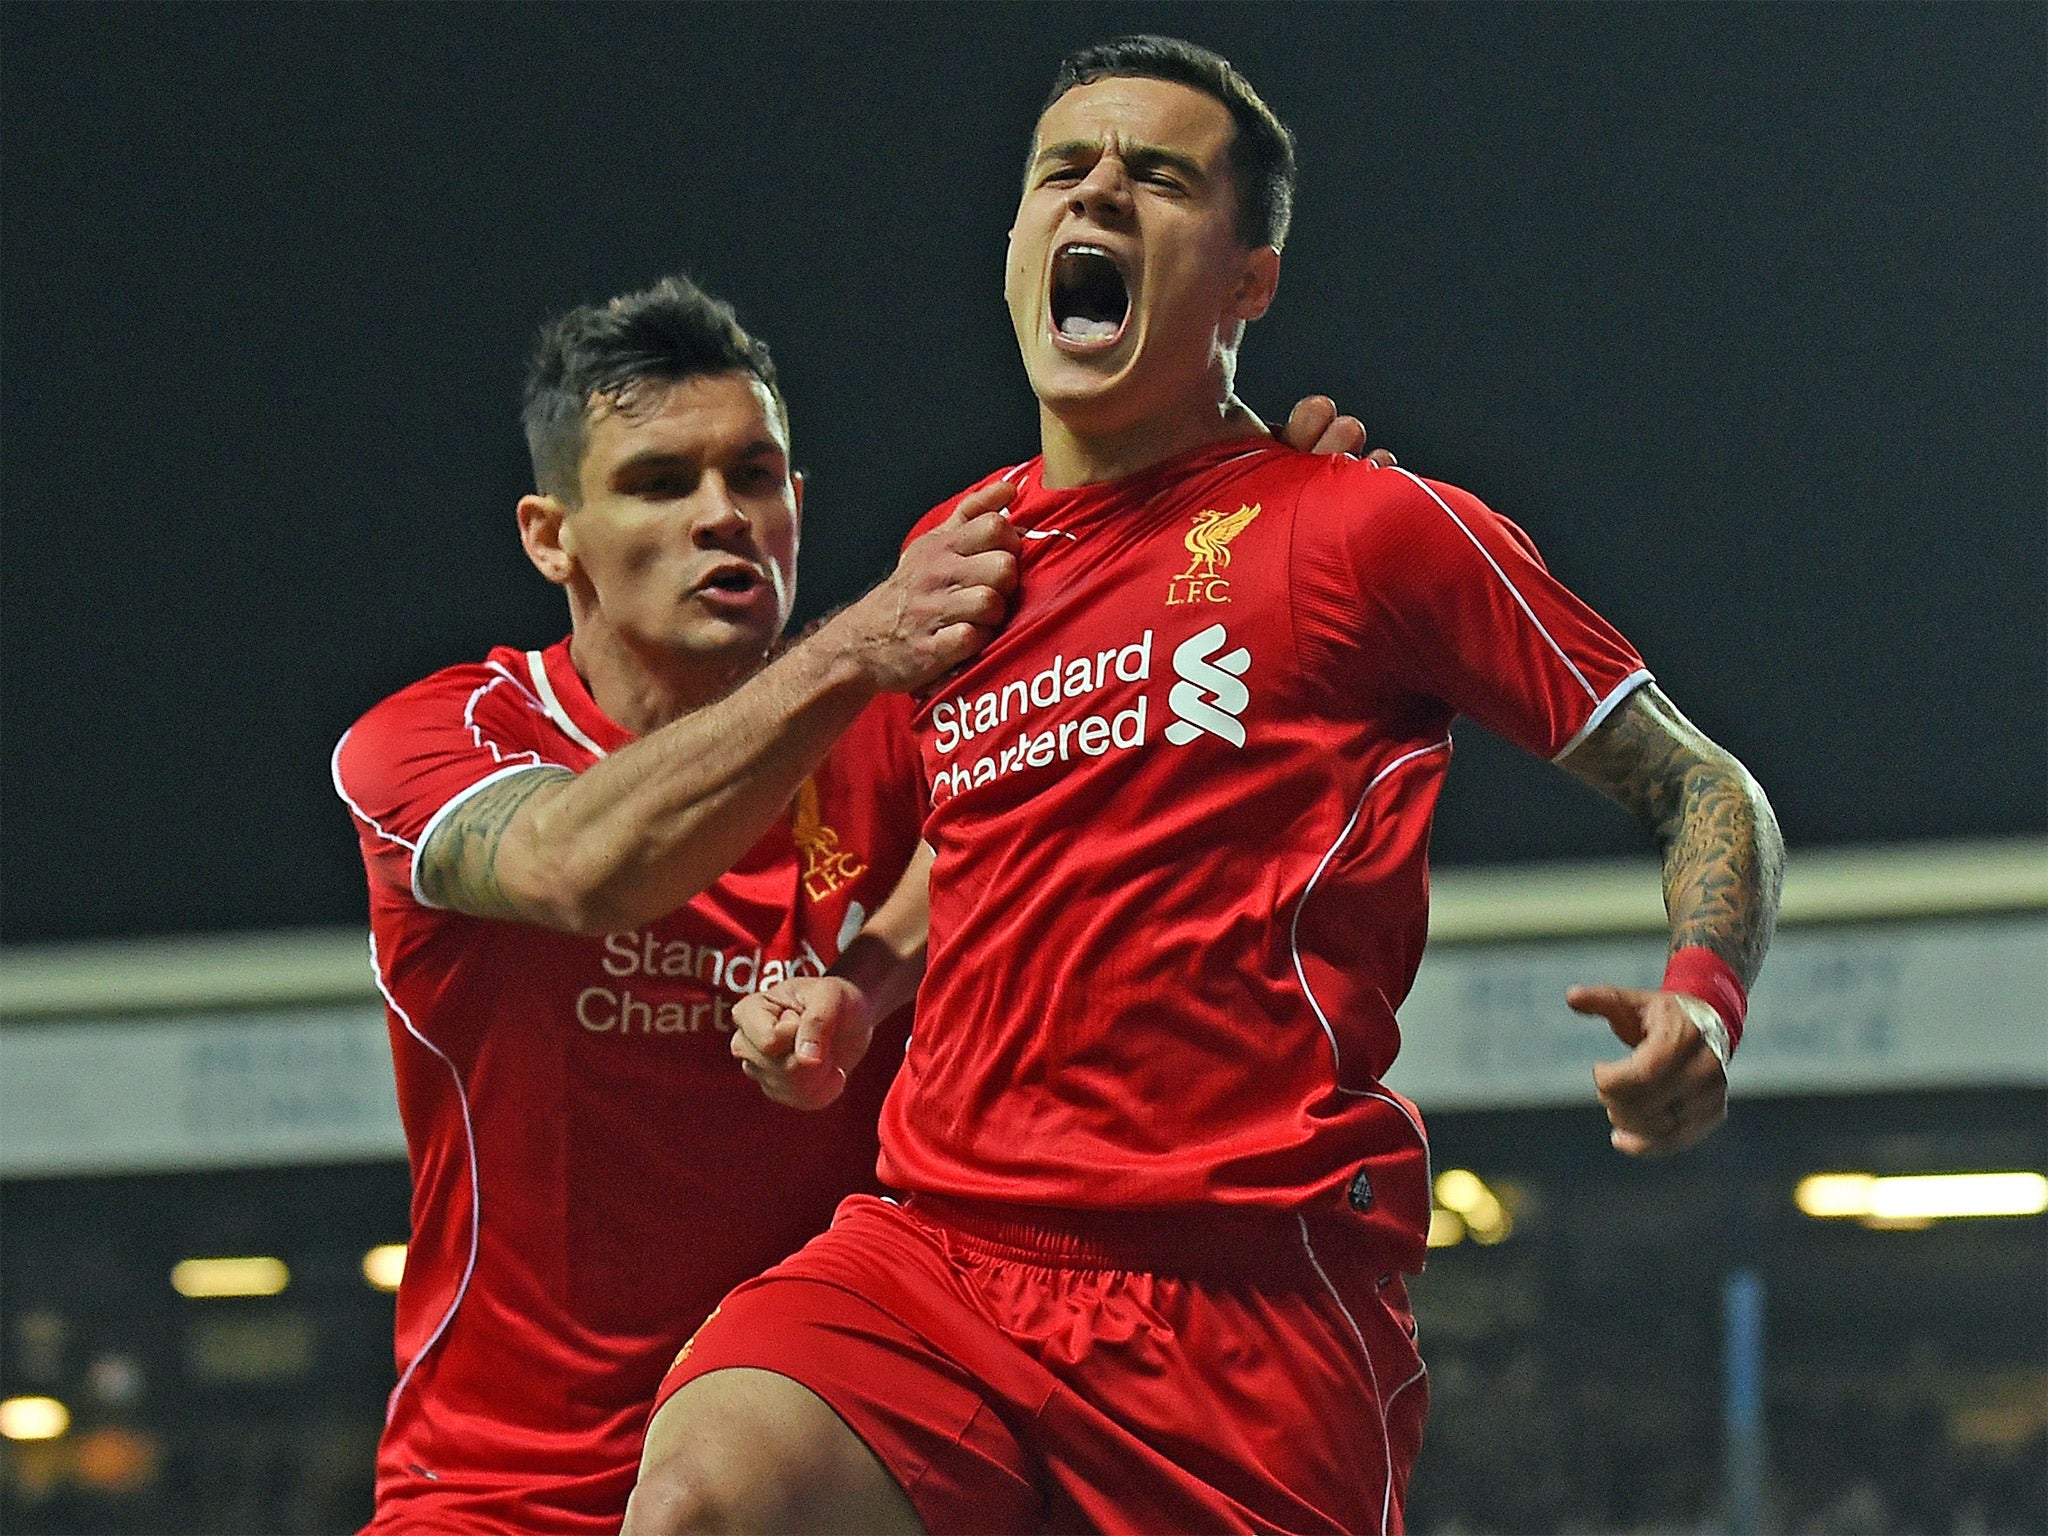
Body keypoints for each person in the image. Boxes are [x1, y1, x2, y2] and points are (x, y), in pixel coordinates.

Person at [628, 36, 1784, 1536]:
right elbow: (982, 832)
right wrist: (855, 989)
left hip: (1244, 1305)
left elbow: (1703, 786)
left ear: (1251, 280)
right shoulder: (956, 555)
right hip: (943, 1254)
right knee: (705, 1500)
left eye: (1157, 177)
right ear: (1018, 248)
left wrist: (1703, 997)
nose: (1097, 189)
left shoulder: (1369, 531)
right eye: (1064, 170)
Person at [332, 272, 1379, 1532]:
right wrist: (851, 647)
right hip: (507, 1490)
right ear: (551, 536)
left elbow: (1106, 765)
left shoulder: (893, 727)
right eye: (661, 484)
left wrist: (1273, 530)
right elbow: (578, 864)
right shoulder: (438, 741)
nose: (724, 516)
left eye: (756, 477)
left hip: (851, 1448)